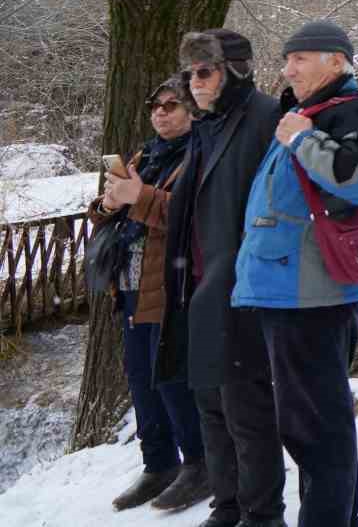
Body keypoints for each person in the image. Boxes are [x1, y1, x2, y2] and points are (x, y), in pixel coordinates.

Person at [233, 21, 358, 527]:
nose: (287, 69)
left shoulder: (347, 112)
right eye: (287, 59)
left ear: (336, 62)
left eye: (300, 59)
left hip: (309, 294)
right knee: (322, 424)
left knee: (314, 430)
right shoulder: (305, 113)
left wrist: (303, 140)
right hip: (292, 291)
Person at [161, 30, 284, 527]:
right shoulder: (207, 125)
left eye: (204, 71)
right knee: (210, 403)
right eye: (189, 73)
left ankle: (262, 514)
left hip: (240, 285)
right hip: (198, 282)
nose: (194, 83)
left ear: (235, 69)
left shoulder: (265, 117)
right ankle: (228, 504)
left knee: (247, 412)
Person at [91, 76, 209, 513]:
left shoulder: (201, 154)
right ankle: (158, 463)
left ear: (192, 111)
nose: (161, 112)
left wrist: (137, 196)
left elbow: (192, 217)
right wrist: (109, 203)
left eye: (171, 105)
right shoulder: (148, 154)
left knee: (173, 378)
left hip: (172, 283)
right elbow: (109, 211)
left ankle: (199, 463)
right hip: (130, 284)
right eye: (155, 105)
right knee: (141, 378)